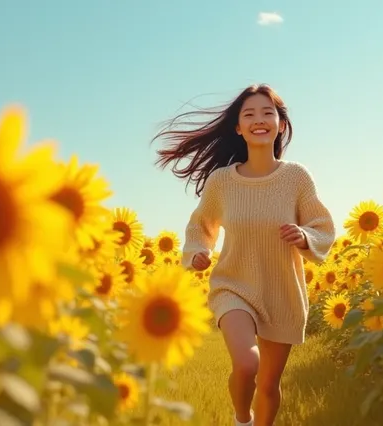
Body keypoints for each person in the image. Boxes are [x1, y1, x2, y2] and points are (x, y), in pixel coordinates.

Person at [153, 83, 336, 426]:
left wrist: (304, 236)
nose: (259, 120)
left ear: (281, 124)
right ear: (238, 127)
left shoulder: (296, 178)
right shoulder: (222, 181)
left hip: (282, 292)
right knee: (248, 364)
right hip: (233, 286)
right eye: (249, 114)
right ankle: (242, 419)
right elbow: (200, 226)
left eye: (268, 113)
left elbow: (322, 225)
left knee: (268, 385)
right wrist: (197, 254)